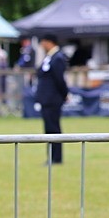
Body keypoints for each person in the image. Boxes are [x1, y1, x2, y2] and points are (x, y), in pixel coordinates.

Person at [35, 33, 69, 165]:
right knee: (49, 129)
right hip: (46, 99)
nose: (42, 45)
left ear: (50, 42)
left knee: (53, 128)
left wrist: (64, 94)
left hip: (53, 99)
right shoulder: (49, 57)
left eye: (43, 42)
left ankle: (56, 158)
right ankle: (52, 156)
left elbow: (60, 79)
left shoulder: (58, 57)